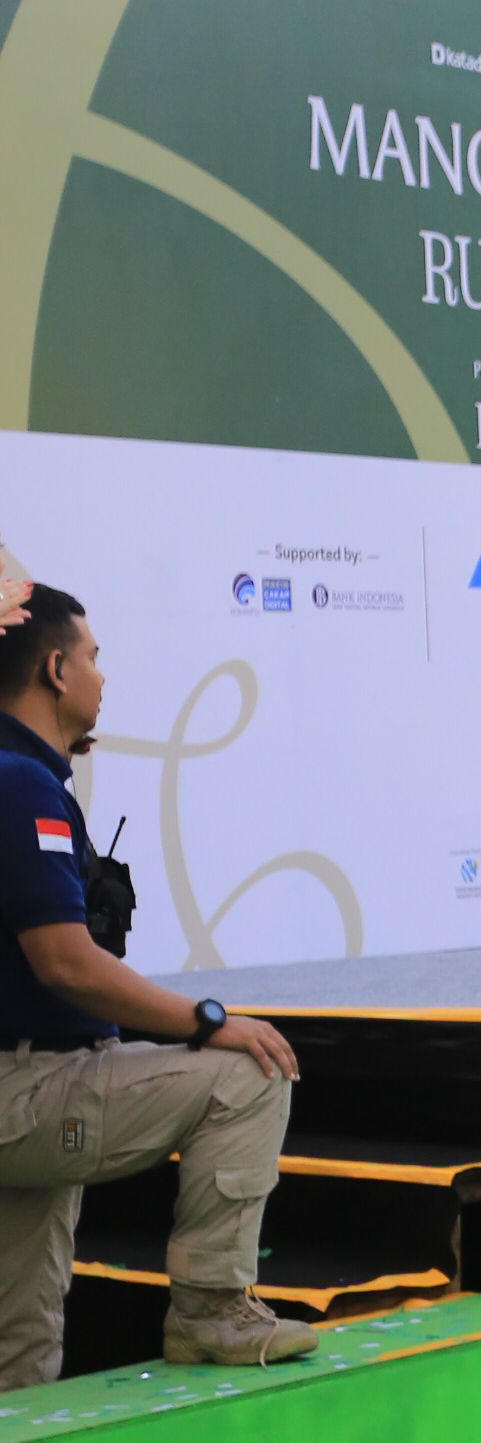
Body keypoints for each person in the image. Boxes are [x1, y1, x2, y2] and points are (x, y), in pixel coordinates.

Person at [0, 585, 316, 1385]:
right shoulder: (21, 783)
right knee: (248, 1073)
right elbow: (67, 963)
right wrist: (207, 1020)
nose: (103, 676)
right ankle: (210, 1310)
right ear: (56, 669)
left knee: (18, 1355)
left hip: (23, 1093)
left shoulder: (26, 776)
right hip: (25, 1089)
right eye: (93, 657)